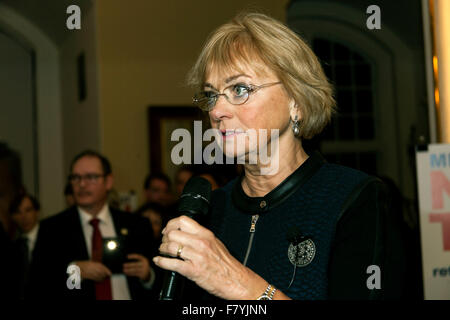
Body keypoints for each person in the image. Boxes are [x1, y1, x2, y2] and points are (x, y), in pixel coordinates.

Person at [153, 12, 406, 300]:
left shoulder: (353, 199)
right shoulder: (212, 210)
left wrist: (241, 285)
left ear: (295, 101)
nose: (216, 111)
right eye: (212, 95)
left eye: (239, 89)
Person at [29, 150, 157, 300]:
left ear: (108, 182)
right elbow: (36, 287)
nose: (81, 184)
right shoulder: (52, 229)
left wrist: (148, 276)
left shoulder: (137, 225)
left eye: (90, 177)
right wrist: (75, 274)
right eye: (76, 178)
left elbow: (164, 283)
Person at [9, 193, 41, 299]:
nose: (23, 217)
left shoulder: (54, 239)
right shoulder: (14, 247)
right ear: (13, 217)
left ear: (37, 212)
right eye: (18, 212)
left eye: (28, 210)